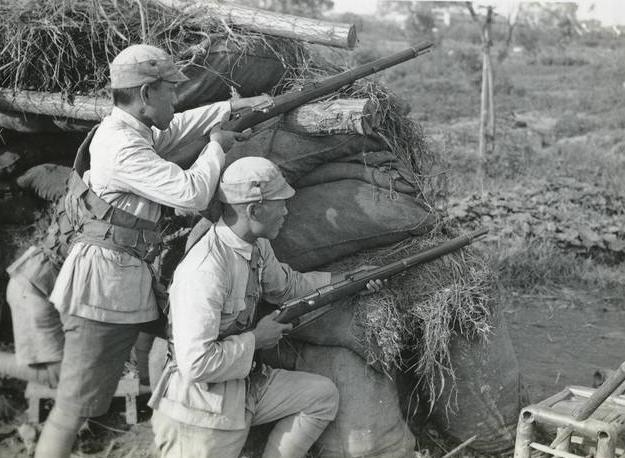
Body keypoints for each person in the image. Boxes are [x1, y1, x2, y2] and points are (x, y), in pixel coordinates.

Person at [34, 43, 269, 458]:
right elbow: (192, 194)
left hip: (123, 282)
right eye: (170, 90)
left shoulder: (132, 130)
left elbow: (176, 128)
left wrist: (232, 107)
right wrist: (216, 146)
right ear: (146, 94)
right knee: (72, 409)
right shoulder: (121, 147)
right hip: (102, 292)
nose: (176, 99)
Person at [149, 156, 385, 458]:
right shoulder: (205, 271)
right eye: (280, 203)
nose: (286, 211)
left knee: (321, 396)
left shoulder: (256, 245)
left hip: (241, 386)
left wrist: (352, 280)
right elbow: (196, 364)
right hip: (200, 411)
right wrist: (257, 339)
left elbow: (288, 286)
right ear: (254, 210)